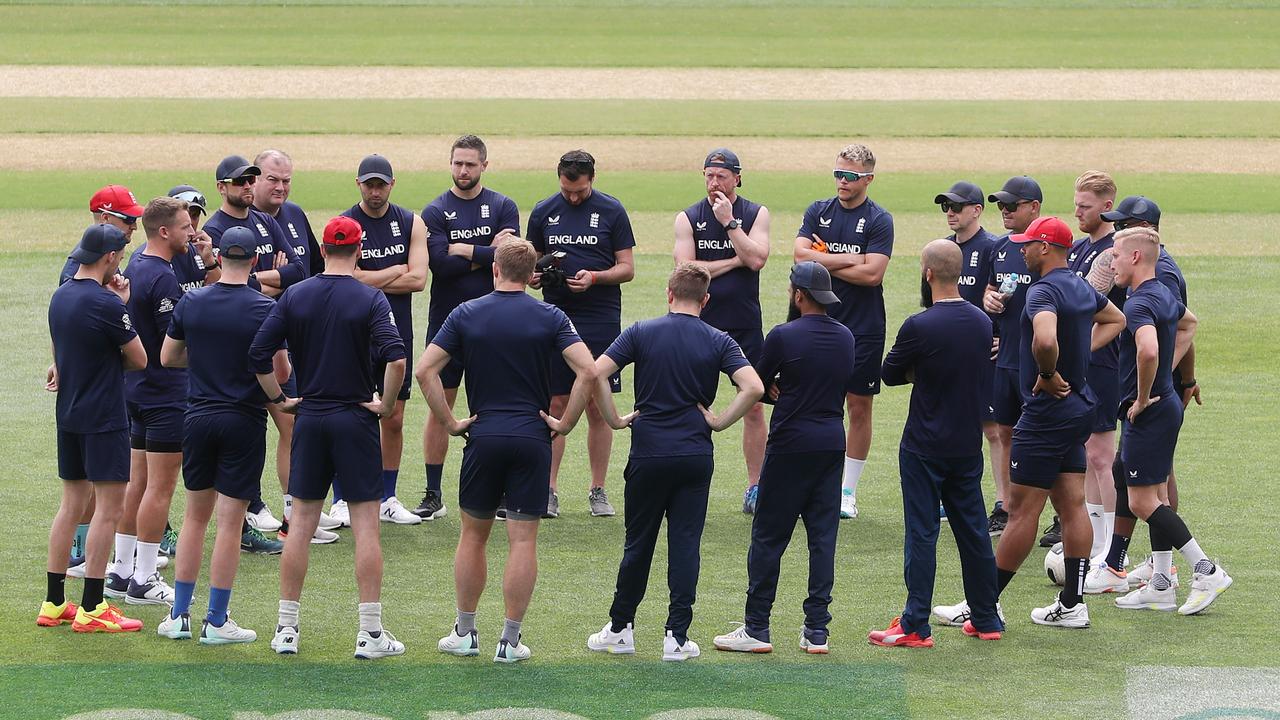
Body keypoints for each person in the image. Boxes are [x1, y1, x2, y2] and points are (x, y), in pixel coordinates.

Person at [419, 240, 596, 663]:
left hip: (484, 436)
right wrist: (565, 422)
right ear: (531, 272)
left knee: (473, 536)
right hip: (533, 438)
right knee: (522, 540)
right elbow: (589, 370)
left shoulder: (465, 313)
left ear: (494, 269)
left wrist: (449, 422)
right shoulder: (551, 315)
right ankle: (510, 641)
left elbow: (425, 370)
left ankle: (465, 632)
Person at [250, 215, 408, 659]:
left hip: (312, 416)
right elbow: (396, 361)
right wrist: (387, 405)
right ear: (358, 251)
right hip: (355, 417)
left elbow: (259, 354)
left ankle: (286, 628)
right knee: (366, 527)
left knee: (299, 525)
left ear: (322, 249)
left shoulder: (295, 295)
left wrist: (281, 399)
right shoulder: (371, 298)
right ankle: (370, 633)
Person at [587, 263, 762, 661]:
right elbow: (752, 387)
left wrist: (614, 419)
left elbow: (595, 372)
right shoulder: (720, 340)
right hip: (694, 456)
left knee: (638, 544)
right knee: (685, 545)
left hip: (648, 454)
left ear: (669, 294)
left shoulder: (640, 332)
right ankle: (676, 637)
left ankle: (620, 629)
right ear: (706, 300)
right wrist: (718, 422)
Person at [157, 227, 290, 644]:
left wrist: (205, 366)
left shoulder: (192, 301)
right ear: (254, 262)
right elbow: (281, 373)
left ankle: (179, 616)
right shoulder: (265, 308)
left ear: (219, 256)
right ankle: (216, 621)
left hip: (196, 417)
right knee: (230, 525)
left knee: (195, 518)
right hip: (243, 420)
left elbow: (168, 357)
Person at [867, 241, 1002, 648]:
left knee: (922, 533)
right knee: (974, 531)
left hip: (924, 444)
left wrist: (921, 372)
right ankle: (985, 616)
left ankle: (915, 623)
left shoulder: (919, 326)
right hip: (966, 442)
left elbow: (889, 374)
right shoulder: (981, 321)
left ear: (927, 273)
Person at [712, 262, 851, 656]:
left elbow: (756, 385)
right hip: (831, 442)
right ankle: (817, 631)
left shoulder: (783, 336)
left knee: (769, 537)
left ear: (798, 295)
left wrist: (777, 391)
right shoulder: (846, 337)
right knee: (823, 540)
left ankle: (757, 626)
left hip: (791, 443)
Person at [993, 216, 1125, 628]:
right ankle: (1072, 604)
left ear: (1046, 247)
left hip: (1047, 413)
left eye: (1028, 244)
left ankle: (982, 603)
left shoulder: (1042, 292)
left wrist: (1049, 373)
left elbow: (1045, 339)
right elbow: (1115, 319)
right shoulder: (1081, 285)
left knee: (1020, 510)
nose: (1023, 250)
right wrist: (1078, 355)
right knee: (1071, 504)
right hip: (1079, 409)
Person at [1102, 227, 1231, 615]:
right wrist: (1169, 377)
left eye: (1116, 255)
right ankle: (1160, 584)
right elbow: (1189, 324)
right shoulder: (1163, 293)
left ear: (1136, 257)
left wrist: (1142, 396)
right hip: (1167, 404)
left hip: (1151, 411)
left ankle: (1206, 570)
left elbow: (1147, 350)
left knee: (1143, 502)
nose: (1111, 262)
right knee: (1150, 493)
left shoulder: (1139, 302)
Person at [41, 223, 147, 633]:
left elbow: (65, 350)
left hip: (68, 415)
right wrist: (120, 303)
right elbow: (138, 359)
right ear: (109, 258)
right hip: (104, 418)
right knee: (109, 510)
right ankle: (92, 606)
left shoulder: (61, 296)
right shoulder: (106, 304)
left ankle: (53, 603)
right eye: (119, 257)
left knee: (70, 505)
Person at [1091, 196, 1198, 591]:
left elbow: (1154, 345)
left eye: (1120, 232)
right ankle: (1148, 574)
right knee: (1132, 477)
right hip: (1159, 397)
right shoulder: (1150, 281)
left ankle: (1183, 570)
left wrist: (1148, 387)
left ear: (1139, 248)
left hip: (1151, 402)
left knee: (1149, 492)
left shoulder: (1156, 282)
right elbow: (1186, 324)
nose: (1112, 242)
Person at [527, 150, 636, 518]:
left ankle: (598, 490)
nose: (572, 197)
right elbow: (531, 263)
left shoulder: (612, 210)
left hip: (600, 317)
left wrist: (595, 277)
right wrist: (535, 276)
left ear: (592, 178)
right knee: (555, 402)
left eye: (579, 191)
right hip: (553, 316)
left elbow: (627, 268)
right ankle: (548, 489)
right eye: (566, 190)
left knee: (596, 405)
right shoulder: (543, 210)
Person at [418, 134, 521, 520]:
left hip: (494, 324)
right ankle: (432, 493)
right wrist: (484, 253)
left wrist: (461, 248)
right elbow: (440, 266)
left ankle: (497, 493)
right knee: (439, 406)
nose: (463, 170)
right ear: (450, 164)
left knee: (493, 407)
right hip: (447, 323)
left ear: (484, 166)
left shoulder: (503, 205)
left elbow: (510, 256)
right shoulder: (435, 211)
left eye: (471, 164)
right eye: (458, 163)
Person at [104, 197, 197, 608]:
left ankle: (121, 570)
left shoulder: (137, 263)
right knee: (159, 488)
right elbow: (171, 344)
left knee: (137, 484)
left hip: (136, 392)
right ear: (164, 232)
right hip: (165, 396)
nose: (191, 232)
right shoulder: (162, 278)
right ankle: (143, 577)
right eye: (184, 227)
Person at [792, 144, 893, 520]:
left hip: (863, 326)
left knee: (858, 405)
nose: (842, 182)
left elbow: (873, 274)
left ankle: (846, 492)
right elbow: (800, 255)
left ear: (868, 178)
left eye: (849, 177)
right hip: (818, 323)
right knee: (813, 402)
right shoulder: (819, 210)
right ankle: (813, 482)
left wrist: (824, 261)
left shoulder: (879, 219)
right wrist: (851, 259)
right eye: (838, 174)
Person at [330, 154, 429, 527]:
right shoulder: (344, 223)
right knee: (348, 414)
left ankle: (386, 496)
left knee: (394, 416)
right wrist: (393, 270)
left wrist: (367, 275)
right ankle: (342, 498)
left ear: (392, 184)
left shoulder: (410, 222)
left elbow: (418, 280)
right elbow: (343, 276)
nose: (375, 191)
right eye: (368, 184)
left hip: (395, 330)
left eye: (381, 184)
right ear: (358, 185)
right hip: (351, 331)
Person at [673, 148, 770, 514]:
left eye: (721, 177)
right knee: (692, 404)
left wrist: (730, 223)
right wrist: (734, 260)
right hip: (699, 324)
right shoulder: (689, 217)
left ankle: (756, 486)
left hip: (744, 324)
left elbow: (758, 258)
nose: (714, 183)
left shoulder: (755, 213)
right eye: (709, 176)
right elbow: (685, 270)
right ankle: (686, 484)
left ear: (737, 178)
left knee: (755, 407)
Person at [250, 149, 339, 544]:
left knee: (295, 426)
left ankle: (293, 511)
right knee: (254, 427)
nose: (281, 187)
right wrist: (273, 278)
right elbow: (238, 281)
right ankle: (254, 508)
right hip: (252, 342)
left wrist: (270, 278)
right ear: (254, 179)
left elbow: (303, 272)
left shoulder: (295, 216)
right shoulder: (236, 223)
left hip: (294, 340)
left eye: (286, 180)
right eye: (273, 179)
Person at [934, 181, 1005, 534]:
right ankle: (955, 497)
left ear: (976, 210)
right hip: (952, 353)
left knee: (993, 430)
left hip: (984, 353)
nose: (950, 212)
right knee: (957, 423)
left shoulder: (993, 247)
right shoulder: (942, 249)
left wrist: (1003, 337)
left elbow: (1008, 298)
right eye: (946, 206)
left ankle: (1003, 505)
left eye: (957, 206)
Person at [1067, 171, 1125, 565]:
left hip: (1103, 361)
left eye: (1085, 207)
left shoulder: (1113, 250)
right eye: (1075, 205)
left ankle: (1115, 549)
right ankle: (1097, 541)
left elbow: (1089, 304)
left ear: (1107, 207)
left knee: (1102, 455)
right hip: (1082, 359)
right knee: (1088, 453)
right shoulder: (1076, 248)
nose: (1077, 213)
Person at [60, 185, 145, 285]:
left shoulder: (104, 252)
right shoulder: (76, 270)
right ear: (105, 218)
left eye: (135, 220)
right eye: (129, 219)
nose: (134, 227)